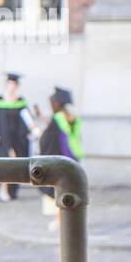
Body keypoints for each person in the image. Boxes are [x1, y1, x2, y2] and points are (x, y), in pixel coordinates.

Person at [0, 72, 42, 201]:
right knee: (4, 161)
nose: (11, 87)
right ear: (6, 85)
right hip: (2, 138)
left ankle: (9, 190)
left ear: (17, 86)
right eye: (9, 84)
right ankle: (3, 190)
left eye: (13, 84)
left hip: (17, 138)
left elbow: (27, 119)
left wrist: (34, 128)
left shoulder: (20, 102)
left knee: (14, 163)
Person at [38, 85, 84, 228]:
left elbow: (48, 139)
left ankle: (60, 221)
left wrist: (39, 135)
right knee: (67, 188)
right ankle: (64, 220)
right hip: (72, 156)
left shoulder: (58, 118)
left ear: (57, 103)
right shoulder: (71, 117)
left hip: (59, 158)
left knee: (58, 189)